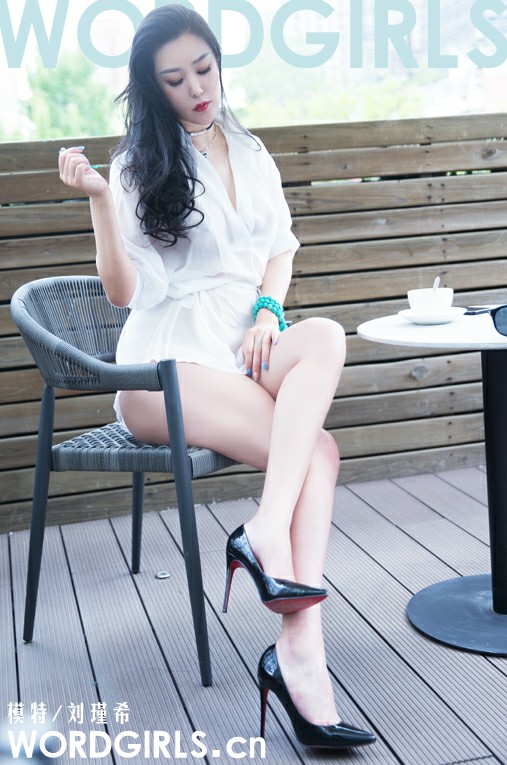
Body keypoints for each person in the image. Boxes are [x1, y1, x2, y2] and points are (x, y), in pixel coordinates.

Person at [58, 4, 375, 750]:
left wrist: (268, 309)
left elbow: (280, 247)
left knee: (323, 336)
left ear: (219, 62)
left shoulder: (249, 148)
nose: (197, 88)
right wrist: (100, 199)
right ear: (153, 88)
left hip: (240, 347)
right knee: (319, 454)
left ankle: (271, 559)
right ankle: (301, 655)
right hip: (165, 368)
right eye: (175, 79)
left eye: (204, 68)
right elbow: (123, 294)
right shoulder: (139, 165)